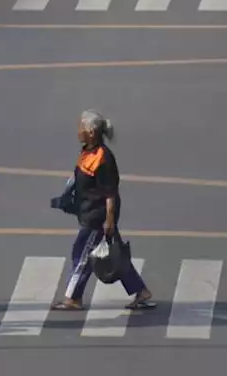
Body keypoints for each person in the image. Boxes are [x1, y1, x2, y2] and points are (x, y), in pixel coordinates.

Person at [52, 110, 155, 312]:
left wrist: (108, 220)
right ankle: (140, 291)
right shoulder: (88, 151)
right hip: (89, 212)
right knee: (113, 255)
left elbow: (110, 192)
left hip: (97, 217)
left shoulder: (104, 158)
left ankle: (73, 298)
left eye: (81, 127)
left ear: (91, 132)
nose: (78, 131)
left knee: (81, 255)